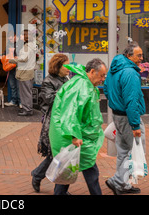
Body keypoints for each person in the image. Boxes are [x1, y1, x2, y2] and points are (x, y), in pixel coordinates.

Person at [49, 58, 107, 195]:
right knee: (88, 169)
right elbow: (70, 111)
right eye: (102, 75)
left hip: (77, 134)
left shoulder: (86, 84)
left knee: (68, 168)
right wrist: (75, 136)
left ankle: (60, 193)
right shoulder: (81, 86)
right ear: (92, 72)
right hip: (74, 136)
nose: (103, 79)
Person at [104, 41, 146, 195]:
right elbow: (131, 100)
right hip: (129, 118)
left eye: (142, 55)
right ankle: (117, 181)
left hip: (118, 115)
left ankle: (123, 184)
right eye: (138, 55)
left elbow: (107, 89)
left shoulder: (115, 68)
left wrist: (116, 102)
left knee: (123, 151)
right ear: (129, 56)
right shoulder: (130, 73)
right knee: (134, 151)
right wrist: (135, 125)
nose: (141, 58)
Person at [31, 53, 70, 192]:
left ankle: (39, 175)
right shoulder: (48, 81)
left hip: (65, 120)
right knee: (56, 154)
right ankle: (40, 176)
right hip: (53, 122)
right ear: (58, 65)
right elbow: (50, 99)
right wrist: (68, 91)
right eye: (66, 64)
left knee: (59, 154)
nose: (69, 67)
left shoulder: (66, 79)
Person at [10, 29, 36, 116]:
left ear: (25, 36)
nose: (20, 36)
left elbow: (24, 59)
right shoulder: (32, 46)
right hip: (29, 71)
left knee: (25, 92)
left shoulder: (27, 46)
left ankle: (27, 110)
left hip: (25, 72)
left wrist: (12, 60)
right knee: (27, 91)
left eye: (21, 35)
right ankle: (27, 109)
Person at [4, 32, 21, 107]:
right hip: (10, 67)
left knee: (18, 86)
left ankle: (21, 102)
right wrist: (3, 56)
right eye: (9, 39)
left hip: (18, 68)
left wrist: (16, 57)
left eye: (11, 38)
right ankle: (14, 101)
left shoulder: (21, 43)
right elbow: (5, 53)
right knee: (12, 85)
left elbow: (22, 56)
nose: (10, 40)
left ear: (15, 36)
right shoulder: (9, 44)